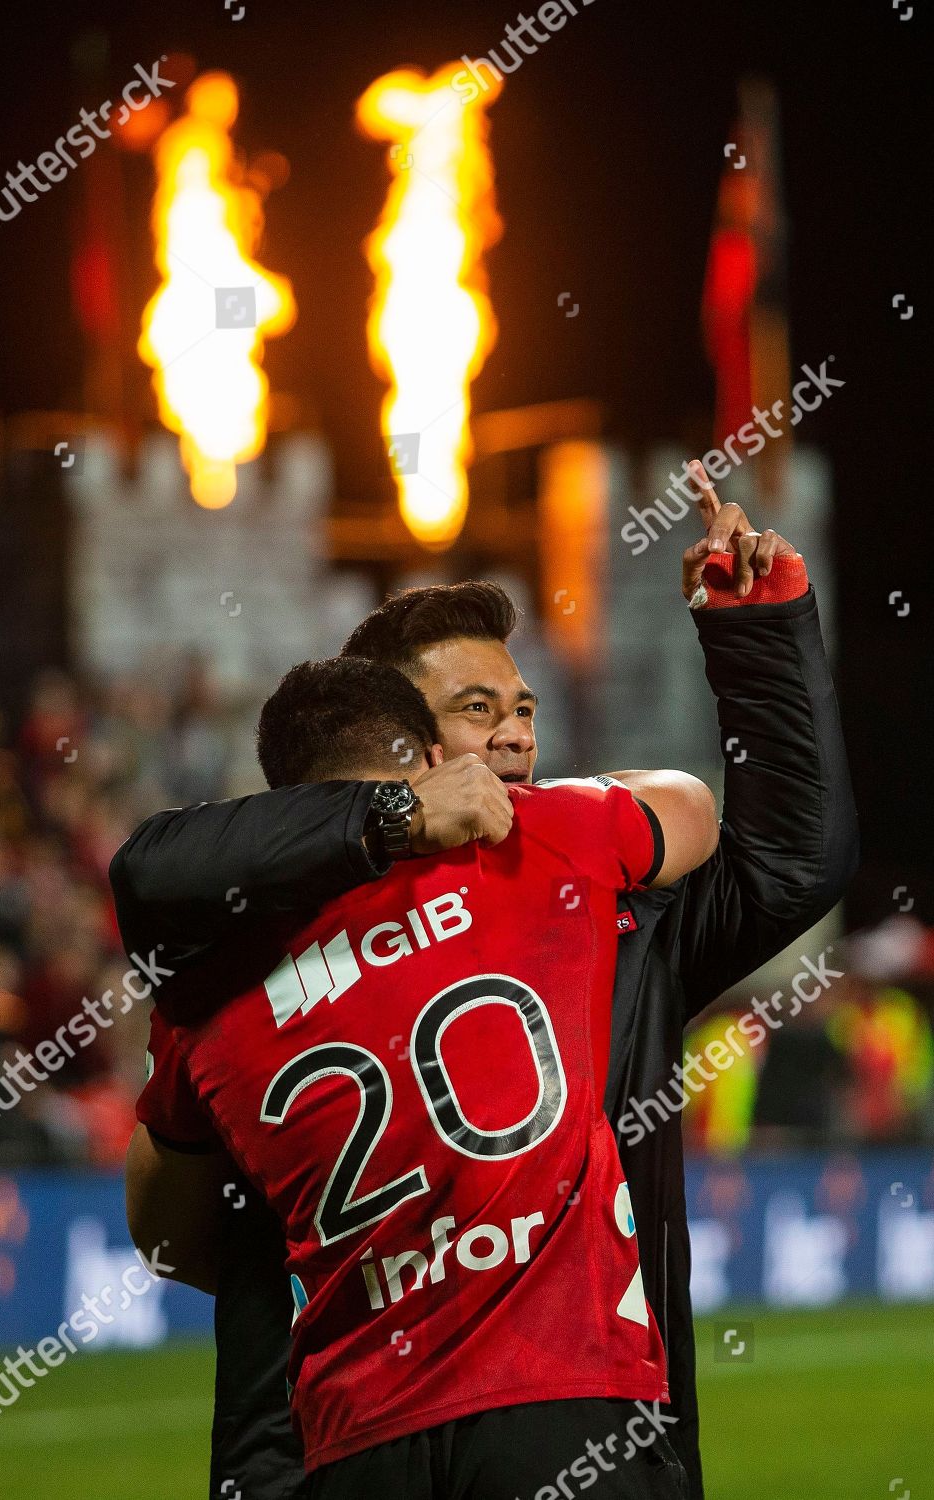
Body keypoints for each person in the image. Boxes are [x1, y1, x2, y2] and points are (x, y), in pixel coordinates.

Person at [114, 465, 859, 1499]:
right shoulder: (547, 853)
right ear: (397, 741)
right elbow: (152, 870)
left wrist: (756, 634)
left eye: (523, 707)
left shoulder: (591, 908)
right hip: (349, 1431)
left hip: (422, 1427)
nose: (515, 733)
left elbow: (791, 866)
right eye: (477, 710)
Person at [150, 652, 720, 1498]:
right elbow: (694, 807)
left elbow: (165, 1228)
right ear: (426, 761)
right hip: (564, 1397)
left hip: (354, 1440)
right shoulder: (541, 838)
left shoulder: (199, 992)